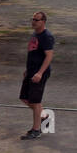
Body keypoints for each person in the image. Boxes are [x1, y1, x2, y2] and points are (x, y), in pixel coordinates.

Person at [19, 11, 55, 140]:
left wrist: (40, 73)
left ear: (43, 21)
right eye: (33, 19)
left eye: (36, 20)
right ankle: (44, 116)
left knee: (35, 101)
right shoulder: (35, 34)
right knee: (24, 98)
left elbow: (49, 56)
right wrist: (27, 70)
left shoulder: (46, 36)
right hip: (31, 71)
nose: (33, 22)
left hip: (39, 73)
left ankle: (36, 129)